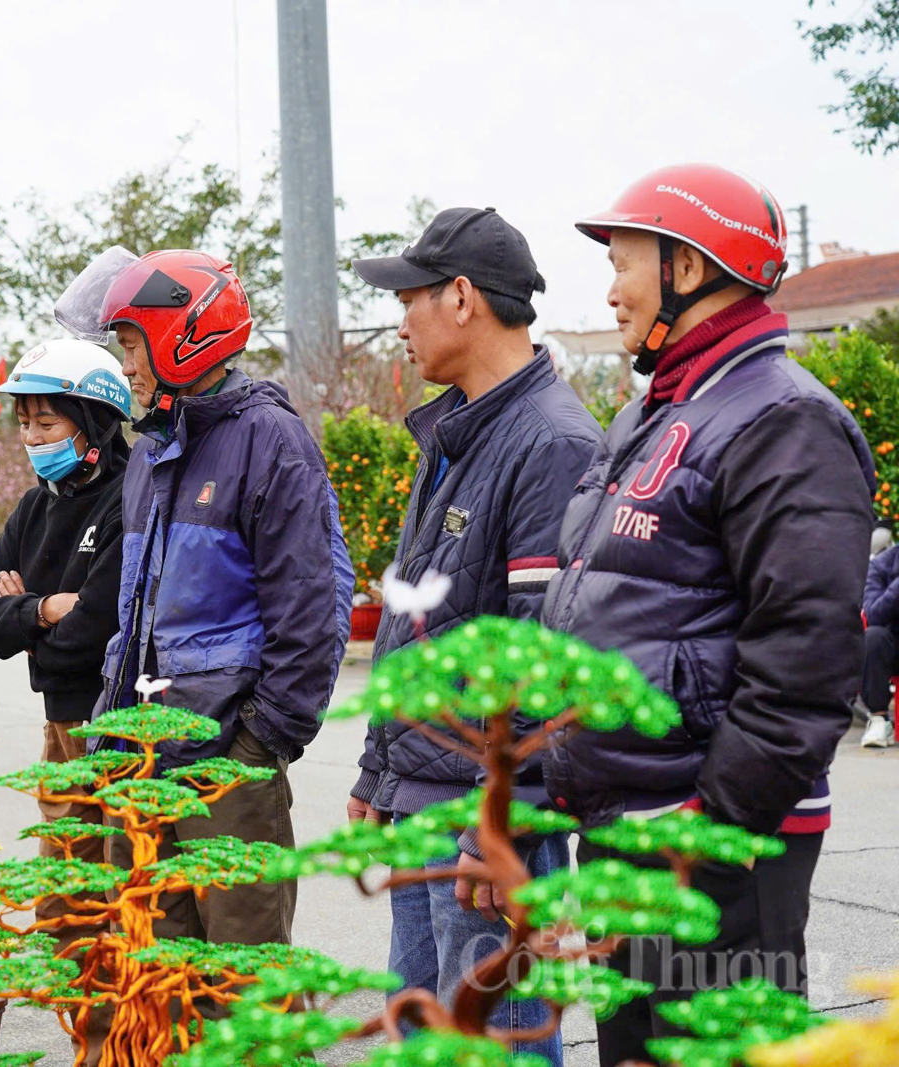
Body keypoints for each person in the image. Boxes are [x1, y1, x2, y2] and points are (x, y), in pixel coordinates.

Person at [539, 164, 876, 1067]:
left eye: (625, 262)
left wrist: (707, 829)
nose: (609, 290)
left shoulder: (784, 419)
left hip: (714, 840)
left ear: (688, 268)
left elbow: (804, 664)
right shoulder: (659, 410)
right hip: (628, 831)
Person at [348, 208, 602, 1066]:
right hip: (427, 800)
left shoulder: (552, 443)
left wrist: (503, 827)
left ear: (462, 297)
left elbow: (549, 655)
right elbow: (422, 619)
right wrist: (379, 766)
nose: (401, 322)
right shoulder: (453, 432)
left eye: (410, 299)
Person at [53, 246, 355, 954]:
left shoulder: (268, 441)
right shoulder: (152, 451)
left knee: (241, 988)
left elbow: (313, 608)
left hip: (226, 768)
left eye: (129, 343)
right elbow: (138, 619)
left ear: (180, 338)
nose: (124, 364)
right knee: (156, 981)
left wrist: (259, 741)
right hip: (140, 759)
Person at [0, 338, 131, 1066]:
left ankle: (133, 1046)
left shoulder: (132, 496)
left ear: (92, 423)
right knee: (65, 903)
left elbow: (101, 625)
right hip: (59, 730)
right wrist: (41, 613)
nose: (32, 440)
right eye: (24, 424)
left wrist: (32, 617)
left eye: (46, 425)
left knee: (124, 898)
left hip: (122, 729)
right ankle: (90, 1047)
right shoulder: (32, 510)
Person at [861, 540, 899, 747]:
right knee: (874, 637)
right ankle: (879, 719)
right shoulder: (881, 564)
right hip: (894, 648)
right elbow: (872, 614)